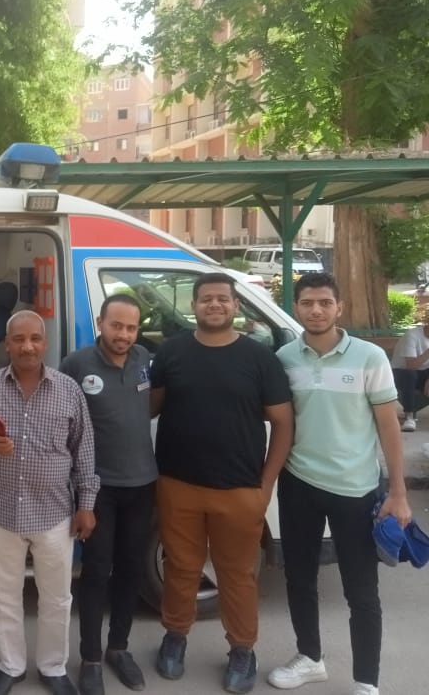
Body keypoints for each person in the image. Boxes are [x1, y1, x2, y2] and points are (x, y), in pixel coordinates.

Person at [150, 271, 294, 694]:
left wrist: (266, 485)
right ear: (193, 306)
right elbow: (148, 408)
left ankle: (242, 650)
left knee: (237, 575)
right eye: (206, 298)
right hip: (178, 484)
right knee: (180, 568)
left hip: (240, 489)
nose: (214, 304)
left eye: (222, 298)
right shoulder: (171, 352)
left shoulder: (260, 358)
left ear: (235, 306)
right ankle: (175, 637)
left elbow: (284, 423)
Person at [268, 273, 412, 695]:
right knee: (299, 578)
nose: (316, 310)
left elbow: (388, 426)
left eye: (324, 303)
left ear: (339, 308)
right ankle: (309, 658)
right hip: (298, 483)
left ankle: (366, 680)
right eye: (307, 303)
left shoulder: (369, 357)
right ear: (296, 307)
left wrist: (399, 493)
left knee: (361, 590)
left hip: (356, 489)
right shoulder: (284, 358)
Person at [0, 310, 99, 695]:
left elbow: (84, 449)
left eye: (35, 338)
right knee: (3, 594)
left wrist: (86, 503)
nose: (27, 346)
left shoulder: (68, 390)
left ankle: (53, 667)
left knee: (56, 597)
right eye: (19, 339)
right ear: (6, 344)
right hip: (1, 511)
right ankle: (11, 664)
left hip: (55, 513)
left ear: (45, 343)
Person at [59, 294, 155, 695]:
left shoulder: (144, 358)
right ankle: (91, 658)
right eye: (116, 326)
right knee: (97, 572)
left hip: (143, 484)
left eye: (131, 328)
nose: (124, 335)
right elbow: (62, 422)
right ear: (100, 323)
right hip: (97, 489)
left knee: (131, 570)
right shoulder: (76, 364)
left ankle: (119, 647)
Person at [389, 313, 429, 431]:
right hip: (400, 373)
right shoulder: (412, 335)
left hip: (423, 372)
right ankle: (409, 417)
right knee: (410, 375)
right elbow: (411, 365)